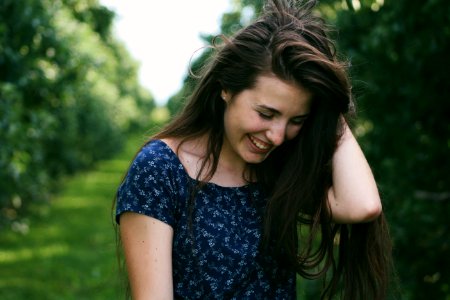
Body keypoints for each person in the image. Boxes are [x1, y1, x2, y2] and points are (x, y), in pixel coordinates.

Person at [114, 0, 393, 299]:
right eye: (266, 113)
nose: (277, 136)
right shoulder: (160, 169)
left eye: (296, 119)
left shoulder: (278, 169)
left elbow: (362, 205)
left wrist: (329, 107)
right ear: (226, 88)